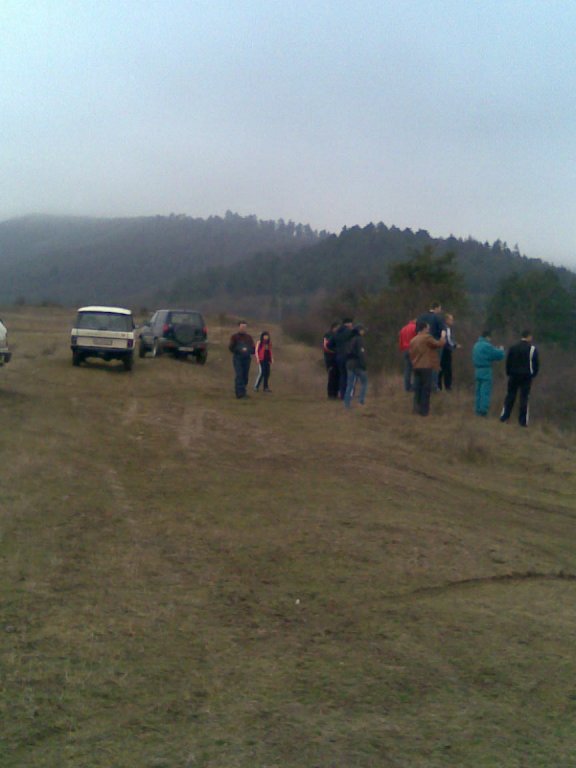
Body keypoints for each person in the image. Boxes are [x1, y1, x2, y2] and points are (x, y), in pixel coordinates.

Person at [499, 331, 540, 427]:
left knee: (510, 396)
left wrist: (508, 372)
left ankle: (504, 417)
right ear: (529, 337)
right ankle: (522, 421)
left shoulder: (513, 348)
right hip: (526, 376)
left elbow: (508, 362)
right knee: (524, 398)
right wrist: (533, 374)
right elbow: (536, 364)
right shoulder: (532, 349)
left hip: (513, 375)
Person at [408, 321, 446, 416]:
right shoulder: (427, 338)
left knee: (417, 388)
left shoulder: (413, 340)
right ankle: (424, 411)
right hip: (426, 366)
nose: (429, 330)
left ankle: (416, 408)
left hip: (416, 366)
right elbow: (439, 344)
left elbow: (411, 354)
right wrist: (443, 337)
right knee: (426, 388)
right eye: (428, 328)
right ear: (424, 328)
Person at [472, 331, 505, 416]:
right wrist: (501, 350)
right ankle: (483, 411)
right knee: (485, 391)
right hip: (486, 370)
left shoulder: (476, 345)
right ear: (487, 337)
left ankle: (477, 410)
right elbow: (497, 355)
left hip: (477, 370)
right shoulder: (487, 346)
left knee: (478, 391)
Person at [417, 302, 446, 390]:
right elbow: (443, 330)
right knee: (434, 365)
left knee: (423, 364)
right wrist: (442, 340)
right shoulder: (438, 317)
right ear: (436, 308)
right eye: (440, 308)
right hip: (434, 343)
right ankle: (433, 386)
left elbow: (416, 331)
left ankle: (422, 385)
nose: (440, 310)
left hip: (422, 343)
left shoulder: (421, 317)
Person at [228, 320, 255, 399]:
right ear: (239, 327)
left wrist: (248, 350)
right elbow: (231, 348)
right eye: (242, 327)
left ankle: (243, 392)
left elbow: (253, 349)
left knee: (245, 376)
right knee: (239, 375)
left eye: (244, 327)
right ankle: (240, 394)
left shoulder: (249, 338)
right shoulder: (234, 337)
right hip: (238, 358)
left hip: (247, 359)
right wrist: (239, 350)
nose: (243, 328)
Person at [344, 324, 367, 409]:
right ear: (359, 331)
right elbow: (362, 353)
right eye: (363, 330)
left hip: (349, 364)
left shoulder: (350, 339)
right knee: (364, 382)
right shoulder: (360, 339)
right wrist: (364, 365)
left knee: (350, 384)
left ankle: (347, 404)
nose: (364, 332)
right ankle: (361, 401)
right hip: (357, 364)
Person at [332, 318, 355, 399]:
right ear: (348, 323)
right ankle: (349, 394)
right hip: (348, 356)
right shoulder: (349, 332)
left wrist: (337, 350)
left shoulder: (336, 333)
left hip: (339, 357)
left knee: (342, 375)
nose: (352, 325)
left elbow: (329, 345)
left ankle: (342, 394)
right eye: (351, 323)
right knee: (350, 375)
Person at [438, 313, 459, 391]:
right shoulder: (447, 328)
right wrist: (455, 345)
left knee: (441, 368)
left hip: (441, 349)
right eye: (451, 320)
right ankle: (448, 386)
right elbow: (448, 340)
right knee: (447, 369)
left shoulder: (441, 327)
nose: (452, 321)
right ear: (447, 320)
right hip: (446, 350)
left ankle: (439, 385)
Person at [398, 318, 417, 392]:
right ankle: (415, 386)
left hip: (405, 350)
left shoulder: (403, 329)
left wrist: (401, 349)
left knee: (407, 369)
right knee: (416, 368)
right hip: (414, 349)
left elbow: (400, 340)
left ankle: (407, 387)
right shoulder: (415, 328)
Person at [322, 322, 340, 399]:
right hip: (330, 359)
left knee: (337, 377)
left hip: (337, 359)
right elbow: (326, 347)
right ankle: (331, 394)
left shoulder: (338, 335)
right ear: (334, 328)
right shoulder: (328, 335)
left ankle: (335, 393)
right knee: (332, 377)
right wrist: (337, 351)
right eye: (337, 328)